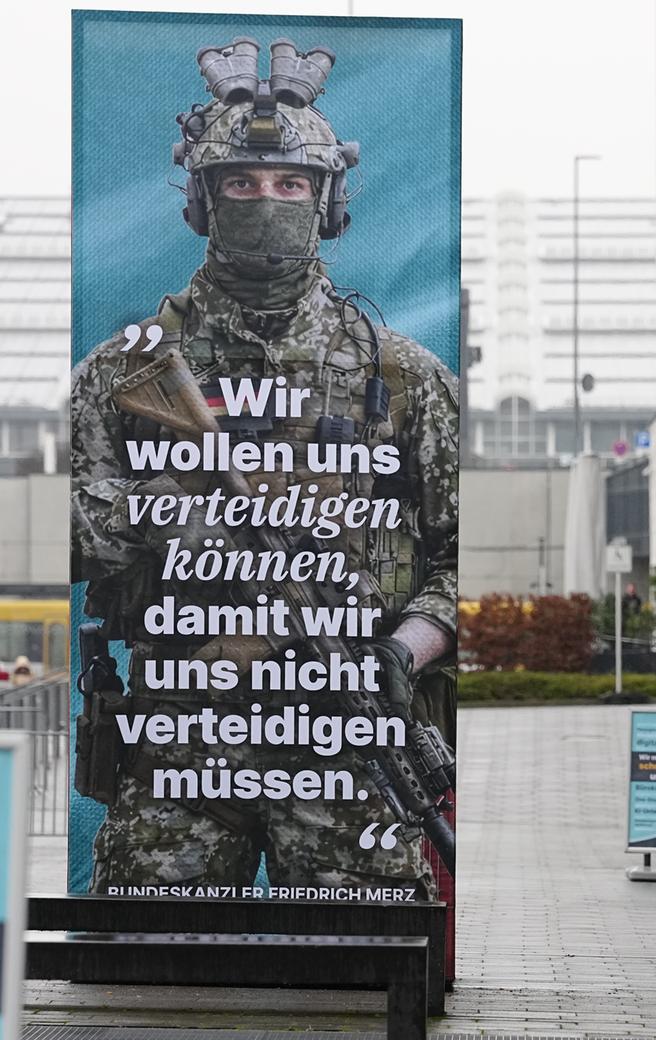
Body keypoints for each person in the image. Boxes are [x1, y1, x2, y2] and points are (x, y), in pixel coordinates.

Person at [70, 37, 458, 897]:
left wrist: (403, 650)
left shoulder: (399, 375)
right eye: (240, 184)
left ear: (328, 202)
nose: (266, 200)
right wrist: (168, 514)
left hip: (342, 741)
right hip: (178, 743)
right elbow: (47, 532)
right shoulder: (124, 370)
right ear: (203, 202)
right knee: (142, 987)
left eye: (291, 185)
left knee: (361, 991)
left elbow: (470, 557)